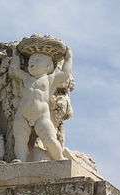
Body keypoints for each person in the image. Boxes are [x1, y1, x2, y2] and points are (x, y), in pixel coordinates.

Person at [8, 34, 73, 162]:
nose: (32, 62)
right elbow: (14, 70)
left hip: (41, 116)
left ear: (48, 66)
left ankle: (59, 158)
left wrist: (69, 58)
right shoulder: (26, 78)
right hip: (22, 114)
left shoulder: (50, 79)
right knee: (20, 139)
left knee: (49, 139)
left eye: (37, 60)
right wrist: (15, 55)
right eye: (31, 60)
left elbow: (65, 74)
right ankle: (20, 160)